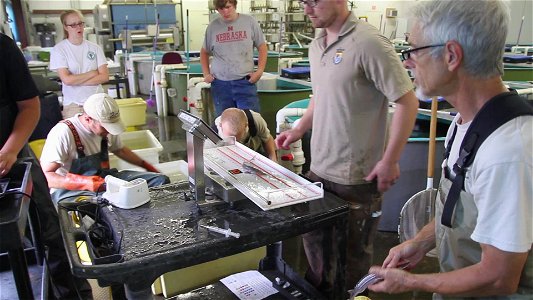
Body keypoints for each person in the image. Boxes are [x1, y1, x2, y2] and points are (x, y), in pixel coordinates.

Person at [367, 0, 532, 298]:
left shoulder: (507, 152)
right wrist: (421, 241)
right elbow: (462, 208)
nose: (407, 62)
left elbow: (499, 278)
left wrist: (411, 283)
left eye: (413, 50)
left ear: (451, 55)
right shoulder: (465, 123)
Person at [275, 0, 419, 297]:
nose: (307, 9)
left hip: (356, 177)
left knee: (351, 261)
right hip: (319, 168)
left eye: (314, 1)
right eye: (303, 2)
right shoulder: (317, 43)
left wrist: (390, 160)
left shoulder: (369, 43)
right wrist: (299, 129)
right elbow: (320, 93)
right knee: (315, 249)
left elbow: (407, 101)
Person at [0, 32, 93, 299]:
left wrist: (9, 151)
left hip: (12, 157)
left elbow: (29, 106)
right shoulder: (64, 134)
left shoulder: (3, 47)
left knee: (50, 233)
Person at [40, 93, 169, 205]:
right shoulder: (63, 133)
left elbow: (120, 150)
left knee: (160, 180)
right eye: (105, 127)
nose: (109, 132)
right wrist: (83, 183)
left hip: (103, 180)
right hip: (70, 191)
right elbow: (46, 177)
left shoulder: (106, 131)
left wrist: (148, 167)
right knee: (112, 202)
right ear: (88, 119)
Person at [200, 0, 267, 117]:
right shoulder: (213, 27)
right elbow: (204, 52)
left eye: (228, 7)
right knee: (224, 124)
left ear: (234, 4)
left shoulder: (249, 22)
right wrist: (206, 74)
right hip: (220, 84)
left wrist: (259, 71)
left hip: (245, 82)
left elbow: (262, 46)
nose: (225, 11)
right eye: (221, 9)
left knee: (251, 121)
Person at [50, 9, 109, 119]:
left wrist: (76, 81)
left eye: (80, 23)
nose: (78, 27)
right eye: (73, 25)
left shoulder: (95, 48)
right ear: (66, 27)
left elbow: (104, 77)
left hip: (98, 102)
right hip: (75, 105)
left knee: (104, 135)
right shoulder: (59, 50)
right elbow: (67, 80)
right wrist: (92, 73)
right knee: (77, 136)